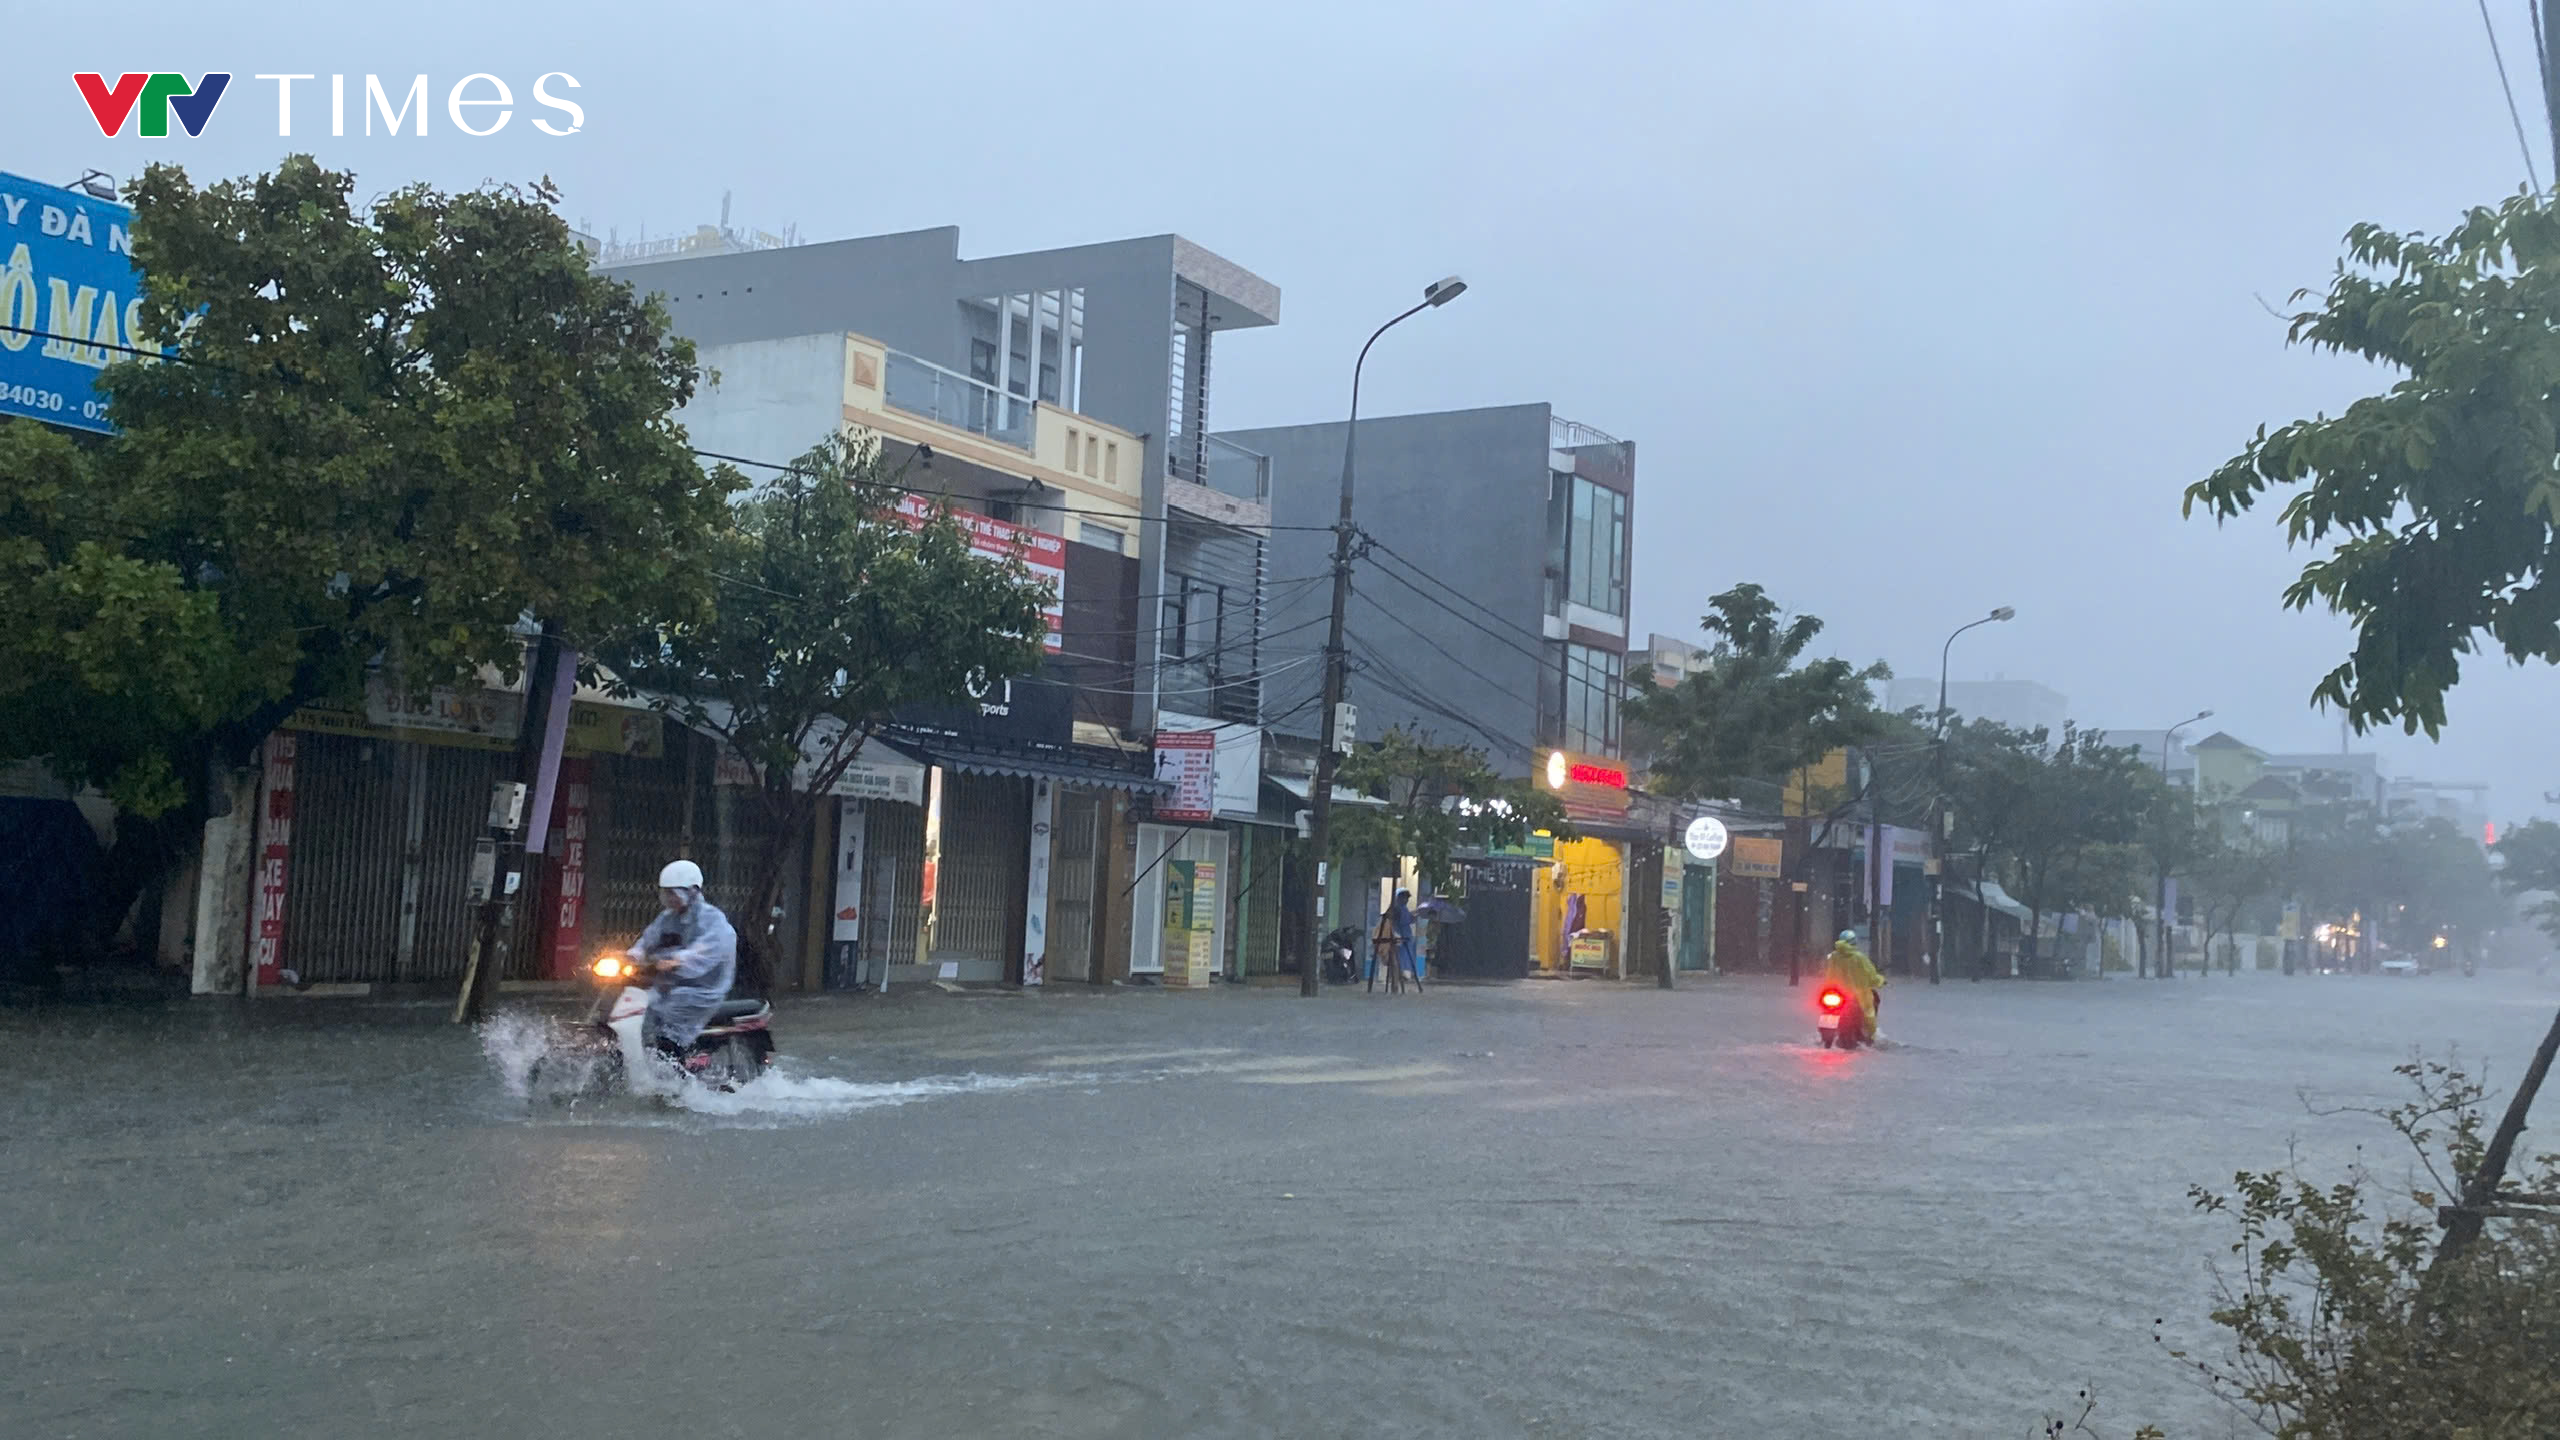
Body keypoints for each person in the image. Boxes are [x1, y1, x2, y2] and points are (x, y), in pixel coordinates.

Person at [628, 859, 738, 1056]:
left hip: (701, 991)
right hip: (668, 986)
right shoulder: (667, 919)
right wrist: (632, 957)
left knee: (669, 1029)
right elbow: (647, 941)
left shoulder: (713, 920)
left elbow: (705, 951)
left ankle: (674, 1071)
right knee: (638, 1010)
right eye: (666, 893)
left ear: (693, 891)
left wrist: (677, 961)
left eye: (674, 892)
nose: (669, 898)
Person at [1823, 928, 1885, 1045]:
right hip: (1857, 996)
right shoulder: (1860, 958)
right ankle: (1868, 1036)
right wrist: (1881, 980)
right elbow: (1872, 977)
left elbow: (1828, 974)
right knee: (1870, 1009)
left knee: (1826, 1010)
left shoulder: (1833, 956)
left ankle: (1827, 1034)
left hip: (1834, 993)